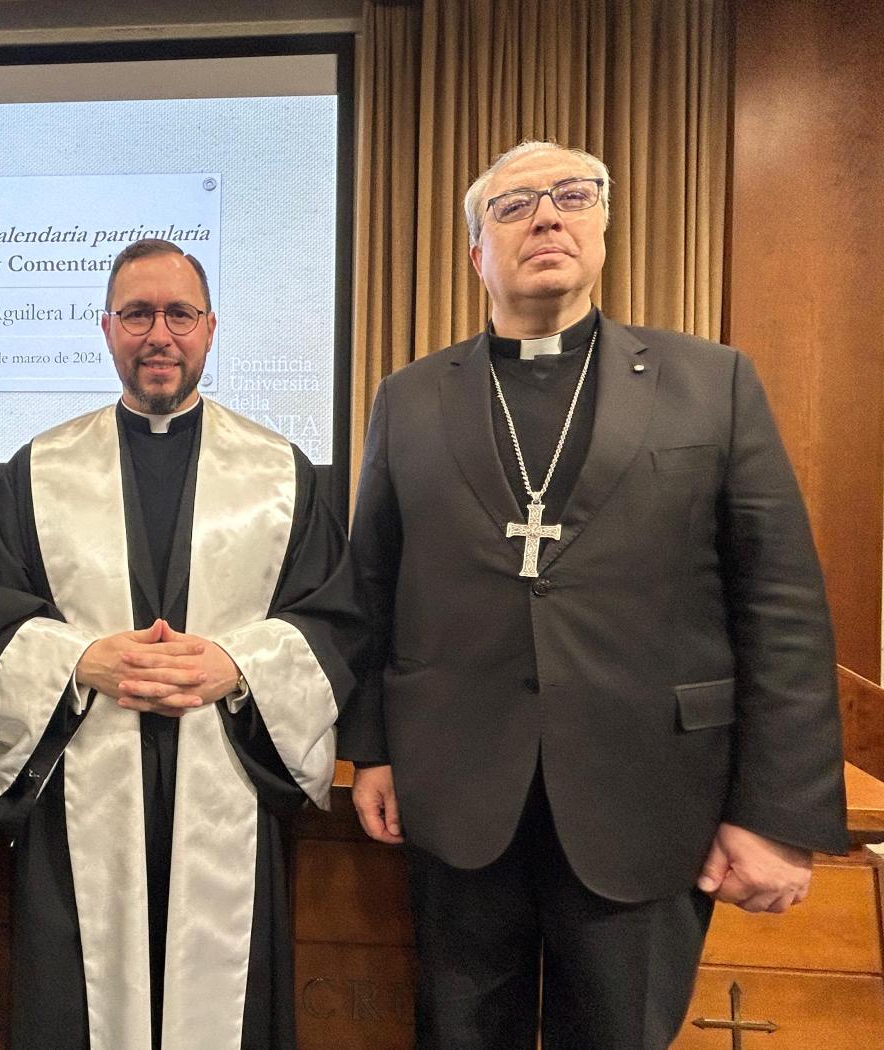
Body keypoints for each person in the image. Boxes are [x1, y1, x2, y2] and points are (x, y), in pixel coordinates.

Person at [339, 141, 848, 1049]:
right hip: (457, 798)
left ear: (604, 227)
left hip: (653, 798)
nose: (546, 215)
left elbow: (782, 609)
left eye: (572, 195)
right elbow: (374, 589)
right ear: (476, 253)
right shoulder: (409, 398)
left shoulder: (713, 383)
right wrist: (371, 749)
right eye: (513, 205)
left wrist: (776, 816)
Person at [0, 238, 361, 1050]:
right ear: (107, 328)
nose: (159, 335)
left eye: (180, 314)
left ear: (211, 328)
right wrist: (80, 660)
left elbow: (334, 619)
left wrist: (238, 664)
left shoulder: (280, 473)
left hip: (227, 779)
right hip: (82, 792)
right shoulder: (40, 470)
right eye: (137, 314)